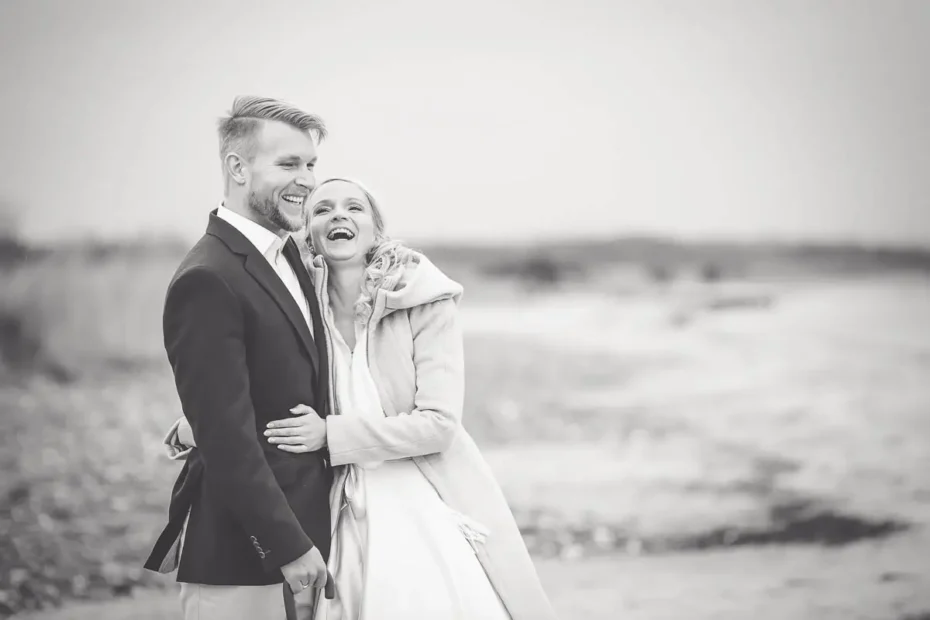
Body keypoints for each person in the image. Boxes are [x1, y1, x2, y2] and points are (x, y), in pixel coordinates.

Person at [166, 178, 558, 619]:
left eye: (354, 208)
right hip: (329, 501)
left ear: (376, 230)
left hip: (413, 493)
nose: (339, 215)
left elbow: (439, 425)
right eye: (322, 209)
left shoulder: (423, 300)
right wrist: (196, 424)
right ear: (307, 235)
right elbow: (261, 388)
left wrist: (331, 434)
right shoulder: (299, 306)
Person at [143, 96, 335, 620]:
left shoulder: (290, 253)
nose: (307, 180)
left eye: (311, 164)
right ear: (238, 168)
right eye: (289, 164)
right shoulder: (207, 278)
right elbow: (225, 438)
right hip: (243, 553)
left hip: (311, 535)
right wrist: (286, 546)